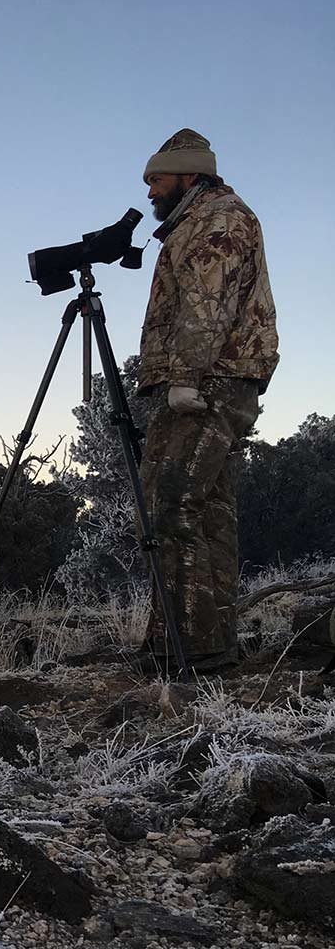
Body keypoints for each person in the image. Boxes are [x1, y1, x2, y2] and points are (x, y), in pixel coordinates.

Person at [137, 128, 278, 673]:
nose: (151, 192)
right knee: (210, 511)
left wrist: (185, 377)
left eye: (158, 179)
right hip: (220, 377)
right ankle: (209, 645)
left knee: (170, 501)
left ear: (190, 176)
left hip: (210, 379)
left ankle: (184, 648)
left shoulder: (216, 219)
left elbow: (206, 303)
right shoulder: (199, 220)